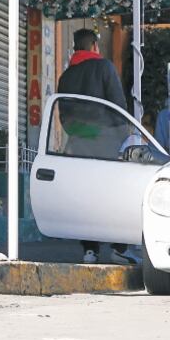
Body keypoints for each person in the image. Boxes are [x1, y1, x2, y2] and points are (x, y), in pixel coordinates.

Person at [57, 28, 136, 265]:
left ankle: (89, 250)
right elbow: (118, 105)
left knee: (85, 198)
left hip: (78, 145)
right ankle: (118, 247)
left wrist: (80, 134)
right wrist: (122, 135)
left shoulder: (66, 77)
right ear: (94, 46)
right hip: (107, 142)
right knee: (113, 197)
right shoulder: (104, 68)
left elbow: (64, 115)